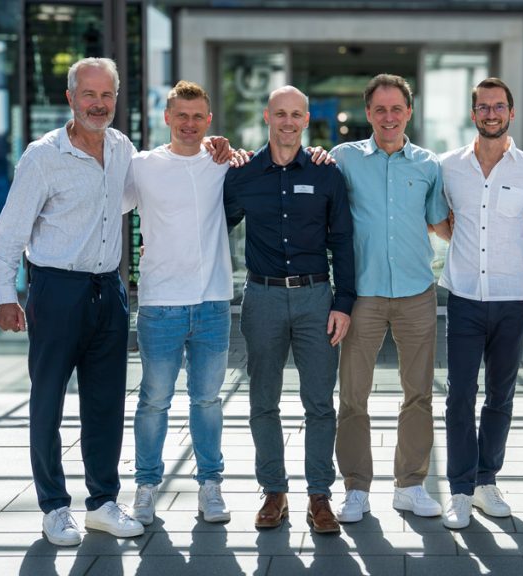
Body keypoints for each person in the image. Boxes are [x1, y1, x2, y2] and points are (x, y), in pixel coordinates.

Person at [0, 58, 148, 546]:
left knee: (105, 403)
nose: (98, 104)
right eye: (89, 95)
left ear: (115, 100)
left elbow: (134, 197)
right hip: (56, 290)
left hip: (110, 290)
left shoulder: (122, 148)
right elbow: (8, 234)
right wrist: (5, 296)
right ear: (70, 99)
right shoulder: (43, 157)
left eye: (107, 96)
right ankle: (54, 507)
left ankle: (102, 501)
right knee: (48, 400)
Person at [223, 85, 355, 535]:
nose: (288, 122)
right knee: (263, 401)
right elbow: (210, 221)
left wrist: (344, 303)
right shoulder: (243, 174)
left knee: (319, 403)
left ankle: (319, 496)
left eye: (296, 114)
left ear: (305, 120)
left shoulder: (326, 173)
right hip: (261, 298)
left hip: (317, 298)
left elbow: (342, 242)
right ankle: (274, 492)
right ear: (267, 116)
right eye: (280, 113)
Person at [331, 73, 451, 523]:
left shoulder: (428, 164)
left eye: (396, 108)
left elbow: (441, 223)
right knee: (353, 396)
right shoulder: (341, 159)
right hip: (361, 295)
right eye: (379, 109)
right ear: (368, 113)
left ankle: (411, 485)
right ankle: (356, 489)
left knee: (418, 393)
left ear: (409, 112)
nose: (388, 117)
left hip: (417, 292)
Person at [438, 78, 523, 529]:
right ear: (473, 114)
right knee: (459, 396)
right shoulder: (448, 167)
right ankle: (461, 490)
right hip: (463, 296)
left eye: (498, 106)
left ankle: (487, 482)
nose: (490, 113)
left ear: (511, 113)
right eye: (483, 106)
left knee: (501, 396)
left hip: (512, 299)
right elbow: (442, 223)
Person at [123, 80, 232, 526]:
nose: (189, 124)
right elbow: (109, 209)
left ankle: (211, 486)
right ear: (166, 118)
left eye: (198, 117)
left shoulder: (224, 162)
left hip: (213, 302)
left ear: (209, 121)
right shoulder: (142, 166)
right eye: (181, 116)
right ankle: (146, 486)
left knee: (207, 400)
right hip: (161, 302)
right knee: (154, 399)